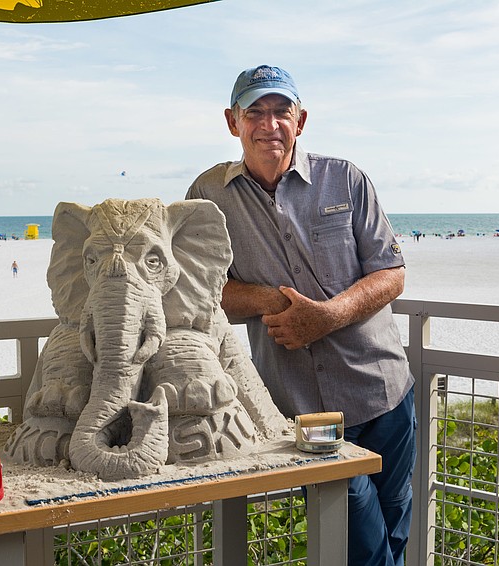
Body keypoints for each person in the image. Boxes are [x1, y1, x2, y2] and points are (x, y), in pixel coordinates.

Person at [186, 65, 416, 566]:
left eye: (280, 111)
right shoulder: (208, 197)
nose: (269, 124)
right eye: (255, 112)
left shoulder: (347, 179)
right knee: (361, 540)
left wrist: (329, 315)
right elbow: (200, 292)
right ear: (232, 121)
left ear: (301, 119)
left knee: (395, 531)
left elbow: (392, 273)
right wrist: (271, 301)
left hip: (384, 391)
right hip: (304, 409)